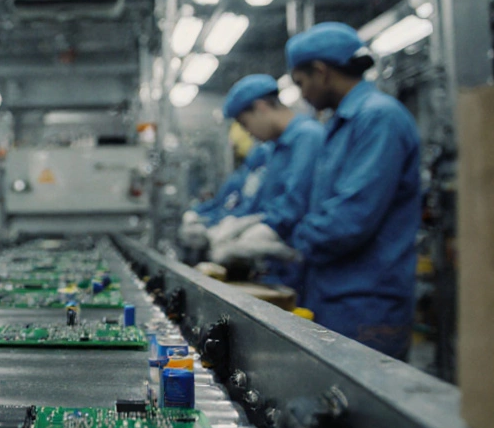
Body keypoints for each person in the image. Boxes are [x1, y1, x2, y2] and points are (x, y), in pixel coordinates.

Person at [286, 22, 421, 358]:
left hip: (366, 303)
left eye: (301, 83)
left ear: (322, 72)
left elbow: (351, 217)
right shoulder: (342, 122)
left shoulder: (378, 119)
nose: (302, 94)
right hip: (333, 295)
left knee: (367, 406)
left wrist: (291, 242)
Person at [209, 74, 325, 292]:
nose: (248, 133)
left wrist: (266, 229)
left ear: (261, 107)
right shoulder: (273, 148)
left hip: (301, 266)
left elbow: (295, 202)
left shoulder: (308, 137)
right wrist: (238, 224)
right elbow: (262, 202)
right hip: (278, 268)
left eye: (245, 123)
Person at [179, 140, 273, 249]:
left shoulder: (262, 180)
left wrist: (215, 223)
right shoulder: (239, 177)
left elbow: (248, 211)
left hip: (237, 226)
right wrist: (196, 212)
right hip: (222, 221)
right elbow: (219, 202)